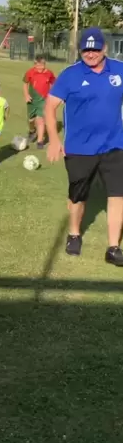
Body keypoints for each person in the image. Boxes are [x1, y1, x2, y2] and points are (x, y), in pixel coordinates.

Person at [44, 27, 123, 266]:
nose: (90, 54)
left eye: (95, 49)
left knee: (118, 195)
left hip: (114, 145)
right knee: (78, 196)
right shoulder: (70, 75)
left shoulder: (119, 70)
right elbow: (50, 107)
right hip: (79, 148)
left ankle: (113, 248)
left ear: (104, 49)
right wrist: (55, 140)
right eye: (85, 50)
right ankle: (74, 233)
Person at [22, 55, 55, 147]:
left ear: (45, 64)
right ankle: (32, 131)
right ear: (34, 65)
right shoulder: (30, 72)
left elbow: (54, 83)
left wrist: (52, 95)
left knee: (40, 119)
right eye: (38, 65)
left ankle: (40, 141)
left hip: (43, 100)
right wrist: (26, 95)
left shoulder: (49, 73)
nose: (40, 67)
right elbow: (25, 83)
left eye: (42, 65)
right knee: (31, 119)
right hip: (32, 100)